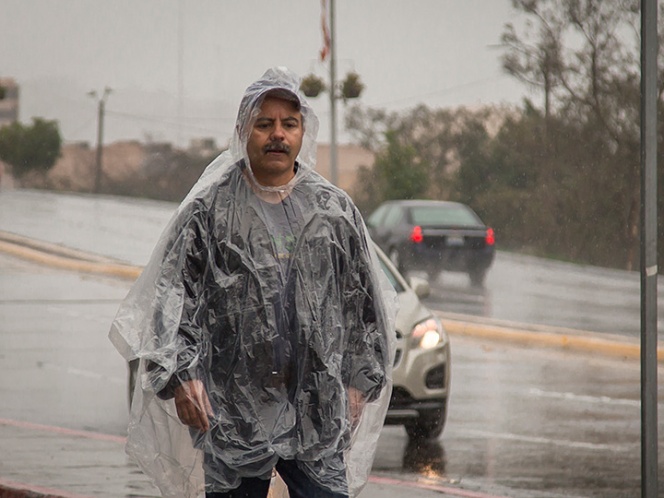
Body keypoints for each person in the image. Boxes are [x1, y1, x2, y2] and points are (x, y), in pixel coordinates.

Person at [109, 67, 396, 498]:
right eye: (264, 124)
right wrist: (181, 377)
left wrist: (360, 381)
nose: (277, 134)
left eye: (289, 124)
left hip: (317, 412)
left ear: (304, 132)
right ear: (243, 131)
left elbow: (365, 308)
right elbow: (172, 301)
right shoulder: (208, 210)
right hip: (233, 412)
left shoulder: (334, 212)